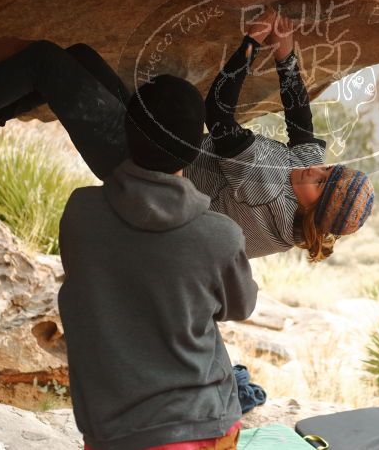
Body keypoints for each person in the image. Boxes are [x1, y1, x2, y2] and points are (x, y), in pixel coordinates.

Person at [0, 8, 374, 261]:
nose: (313, 166)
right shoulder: (301, 179)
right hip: (161, 145)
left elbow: (218, 111)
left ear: (311, 207)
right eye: (327, 168)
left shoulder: (266, 190)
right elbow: (300, 121)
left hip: (141, 169)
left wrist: (251, 43)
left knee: (45, 59)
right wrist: (287, 53)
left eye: (319, 180)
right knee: (79, 57)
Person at [57, 76, 258, 449]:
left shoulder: (80, 212)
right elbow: (241, 305)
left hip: (110, 430)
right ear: (196, 149)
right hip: (200, 425)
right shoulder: (218, 234)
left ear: (127, 134)